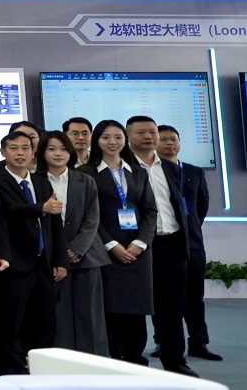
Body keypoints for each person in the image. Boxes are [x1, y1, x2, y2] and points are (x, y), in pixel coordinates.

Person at [0, 131, 62, 375]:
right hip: (14, 261)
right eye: (14, 148)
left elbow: (54, 223)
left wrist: (59, 260)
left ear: (34, 152)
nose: (20, 153)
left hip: (43, 262)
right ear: (2, 152)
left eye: (25, 148)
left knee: (45, 319)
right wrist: (41, 208)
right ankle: (11, 368)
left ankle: (42, 365)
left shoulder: (41, 182)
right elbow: (8, 208)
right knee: (11, 319)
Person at [126, 116, 197, 377]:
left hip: (172, 244)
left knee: (173, 307)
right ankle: (133, 360)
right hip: (137, 246)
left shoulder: (170, 167)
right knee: (135, 307)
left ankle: (174, 360)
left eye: (152, 132)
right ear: (128, 136)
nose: (148, 137)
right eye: (141, 132)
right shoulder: (122, 167)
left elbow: (186, 206)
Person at [85, 119, 155, 368]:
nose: (112, 142)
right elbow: (89, 215)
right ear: (97, 141)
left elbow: (150, 211)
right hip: (106, 252)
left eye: (118, 137)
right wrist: (111, 244)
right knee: (111, 310)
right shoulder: (87, 173)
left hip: (138, 251)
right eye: (106, 137)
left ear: (125, 140)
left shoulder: (138, 172)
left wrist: (141, 242)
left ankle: (135, 359)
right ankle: (115, 360)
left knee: (137, 310)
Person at [157, 125, 220, 361]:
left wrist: (189, 227)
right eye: (164, 139)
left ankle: (199, 342)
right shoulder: (151, 173)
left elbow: (201, 206)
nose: (169, 143)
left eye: (174, 139)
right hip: (164, 243)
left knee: (195, 296)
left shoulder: (195, 171)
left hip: (192, 242)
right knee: (164, 298)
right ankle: (163, 342)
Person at [42, 130, 107, 356]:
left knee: (89, 315)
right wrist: (59, 253)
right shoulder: (36, 181)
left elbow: (93, 218)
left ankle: (93, 362)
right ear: (42, 152)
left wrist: (76, 249)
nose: (58, 154)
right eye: (51, 149)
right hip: (50, 258)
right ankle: (62, 361)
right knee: (58, 315)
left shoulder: (85, 180)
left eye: (63, 149)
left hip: (85, 256)